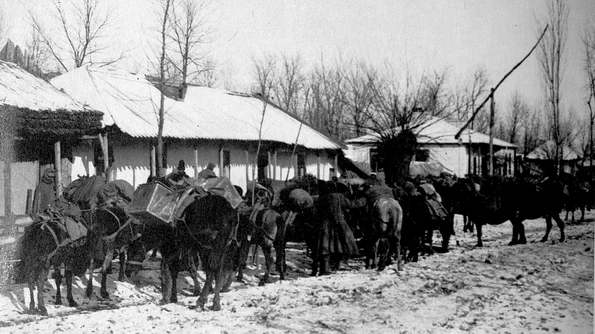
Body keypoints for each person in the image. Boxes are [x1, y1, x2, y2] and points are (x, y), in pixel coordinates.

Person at [313, 181, 363, 276]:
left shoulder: (321, 198)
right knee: (341, 242)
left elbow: (317, 212)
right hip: (339, 222)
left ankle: (325, 268)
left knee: (325, 245)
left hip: (325, 223)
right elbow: (351, 205)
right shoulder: (339, 196)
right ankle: (337, 264)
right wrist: (363, 200)